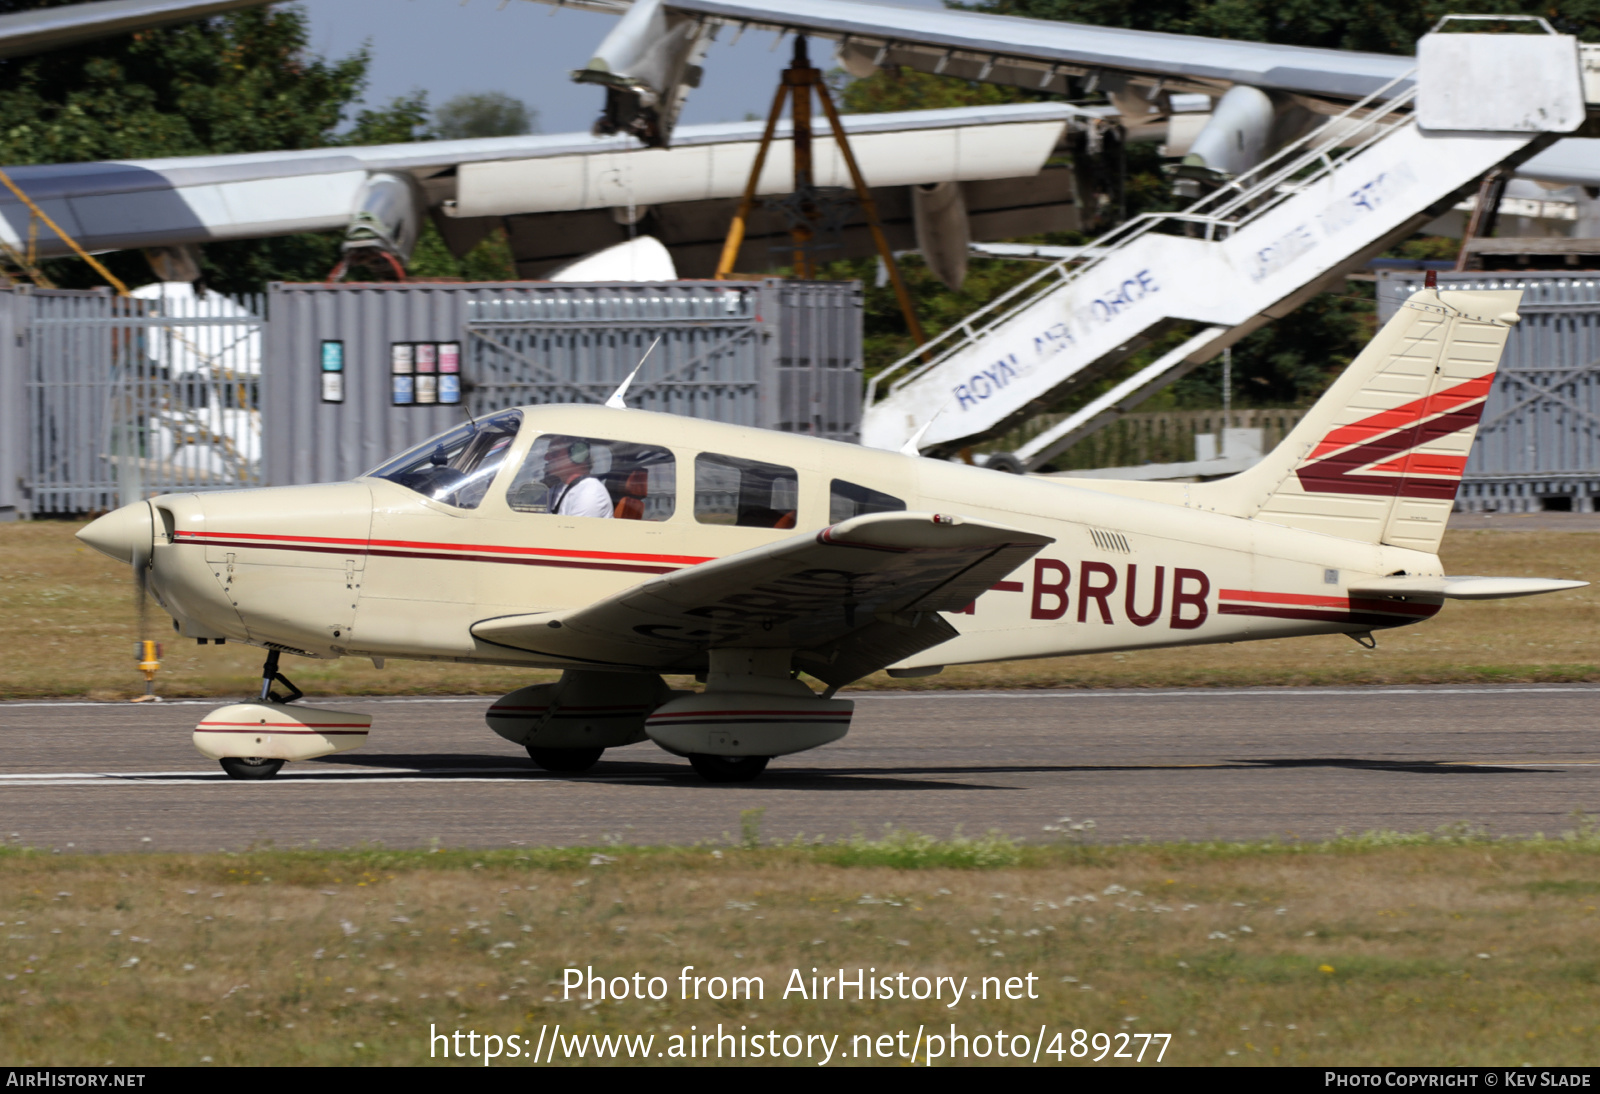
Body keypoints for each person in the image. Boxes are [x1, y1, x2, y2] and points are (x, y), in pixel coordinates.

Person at [545, 439, 613, 518]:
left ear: (577, 455)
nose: (546, 458)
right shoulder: (557, 488)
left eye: (554, 453)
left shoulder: (590, 492)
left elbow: (575, 529)